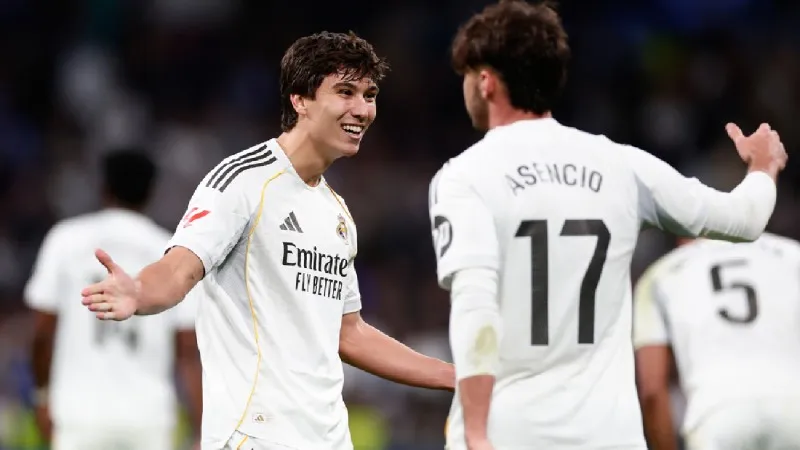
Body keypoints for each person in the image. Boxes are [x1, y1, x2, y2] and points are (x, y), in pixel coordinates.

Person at [427, 1, 787, 449]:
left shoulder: (465, 176)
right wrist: (763, 167)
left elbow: (475, 304)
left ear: (485, 81)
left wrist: (477, 432)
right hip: (609, 434)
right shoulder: (622, 165)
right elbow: (744, 220)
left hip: (511, 428)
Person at [80, 31, 455, 450]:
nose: (362, 109)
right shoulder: (243, 180)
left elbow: (347, 333)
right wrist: (139, 290)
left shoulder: (337, 212)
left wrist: (453, 376)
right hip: (255, 435)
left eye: (369, 95)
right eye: (345, 92)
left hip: (329, 438)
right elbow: (179, 268)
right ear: (300, 100)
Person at [25, 149, 202, 450]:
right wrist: (200, 427)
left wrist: (42, 396)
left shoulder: (65, 239)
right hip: (148, 418)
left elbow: (43, 332)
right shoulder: (171, 252)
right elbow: (187, 349)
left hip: (78, 414)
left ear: (104, 187)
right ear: (151, 193)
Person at [634, 233, 800, 450]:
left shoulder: (661, 273)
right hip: (793, 405)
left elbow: (652, 391)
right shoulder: (791, 254)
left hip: (714, 414)